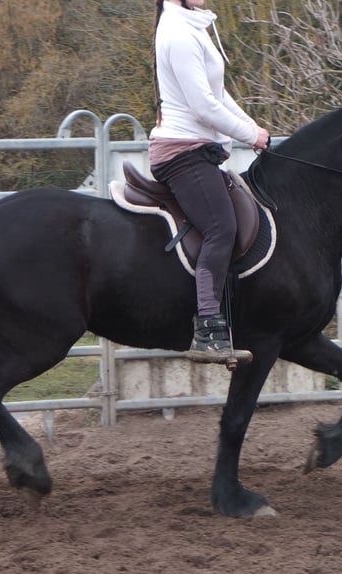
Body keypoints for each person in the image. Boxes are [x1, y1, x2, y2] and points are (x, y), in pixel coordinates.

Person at [149, 0, 270, 364]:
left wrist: (253, 128)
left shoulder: (192, 26)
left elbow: (219, 96)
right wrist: (250, 136)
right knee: (221, 227)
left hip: (199, 148)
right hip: (182, 152)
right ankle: (207, 326)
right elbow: (203, 107)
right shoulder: (178, 33)